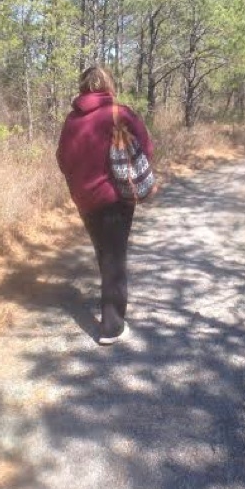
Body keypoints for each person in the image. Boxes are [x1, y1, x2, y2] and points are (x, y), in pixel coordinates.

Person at [56, 66, 154, 345]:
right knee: (115, 258)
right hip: (115, 197)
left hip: (84, 199)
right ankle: (112, 326)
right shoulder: (120, 113)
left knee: (104, 253)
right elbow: (146, 149)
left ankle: (111, 306)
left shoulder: (71, 120)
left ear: (83, 87)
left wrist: (81, 181)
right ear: (108, 85)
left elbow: (62, 159)